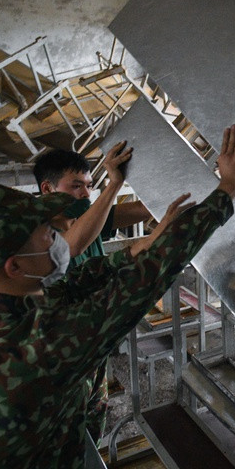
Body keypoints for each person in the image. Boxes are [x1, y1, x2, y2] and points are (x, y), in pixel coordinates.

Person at [0, 125, 235, 469]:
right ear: (13, 267)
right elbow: (144, 280)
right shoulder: (35, 348)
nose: (55, 237)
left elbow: (79, 281)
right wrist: (226, 190)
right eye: (45, 235)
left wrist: (134, 249)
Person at [33, 143, 154, 442]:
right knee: (63, 429)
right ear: (47, 189)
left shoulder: (89, 220)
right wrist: (114, 184)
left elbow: (144, 209)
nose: (86, 194)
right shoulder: (37, 233)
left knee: (94, 413)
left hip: (93, 342)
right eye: (76, 186)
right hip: (61, 353)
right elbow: (71, 247)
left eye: (88, 186)